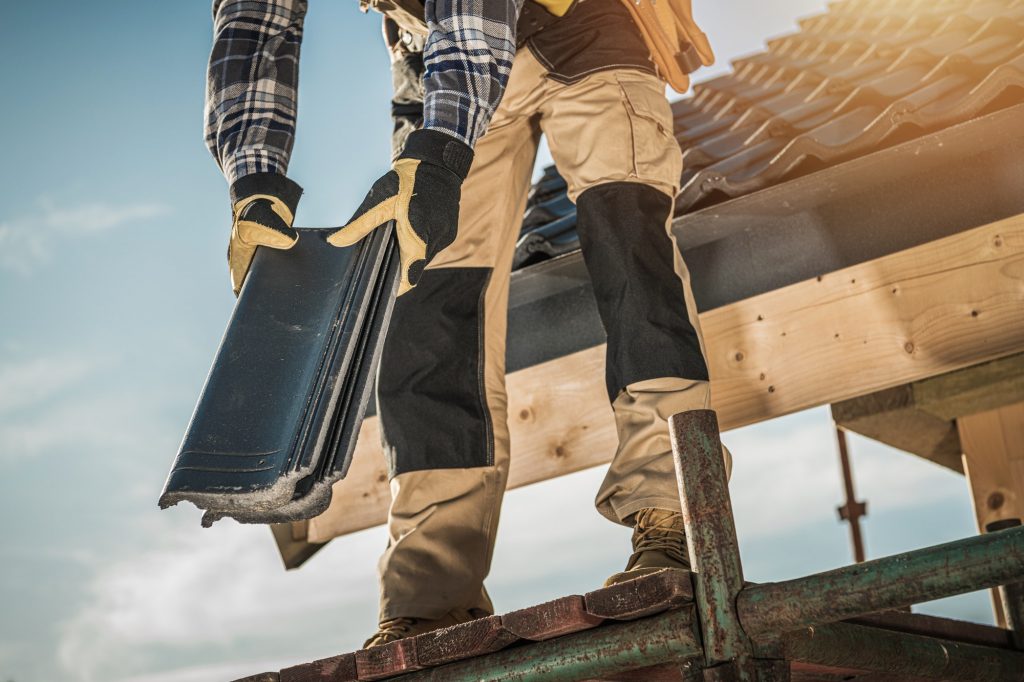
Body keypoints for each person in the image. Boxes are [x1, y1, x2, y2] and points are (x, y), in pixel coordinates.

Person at [203, 0, 721, 648]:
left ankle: (672, 515)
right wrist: (254, 183)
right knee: (429, 297)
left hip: (588, 25)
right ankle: (430, 596)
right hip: (434, 52)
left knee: (628, 242)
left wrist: (443, 153)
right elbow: (256, 25)